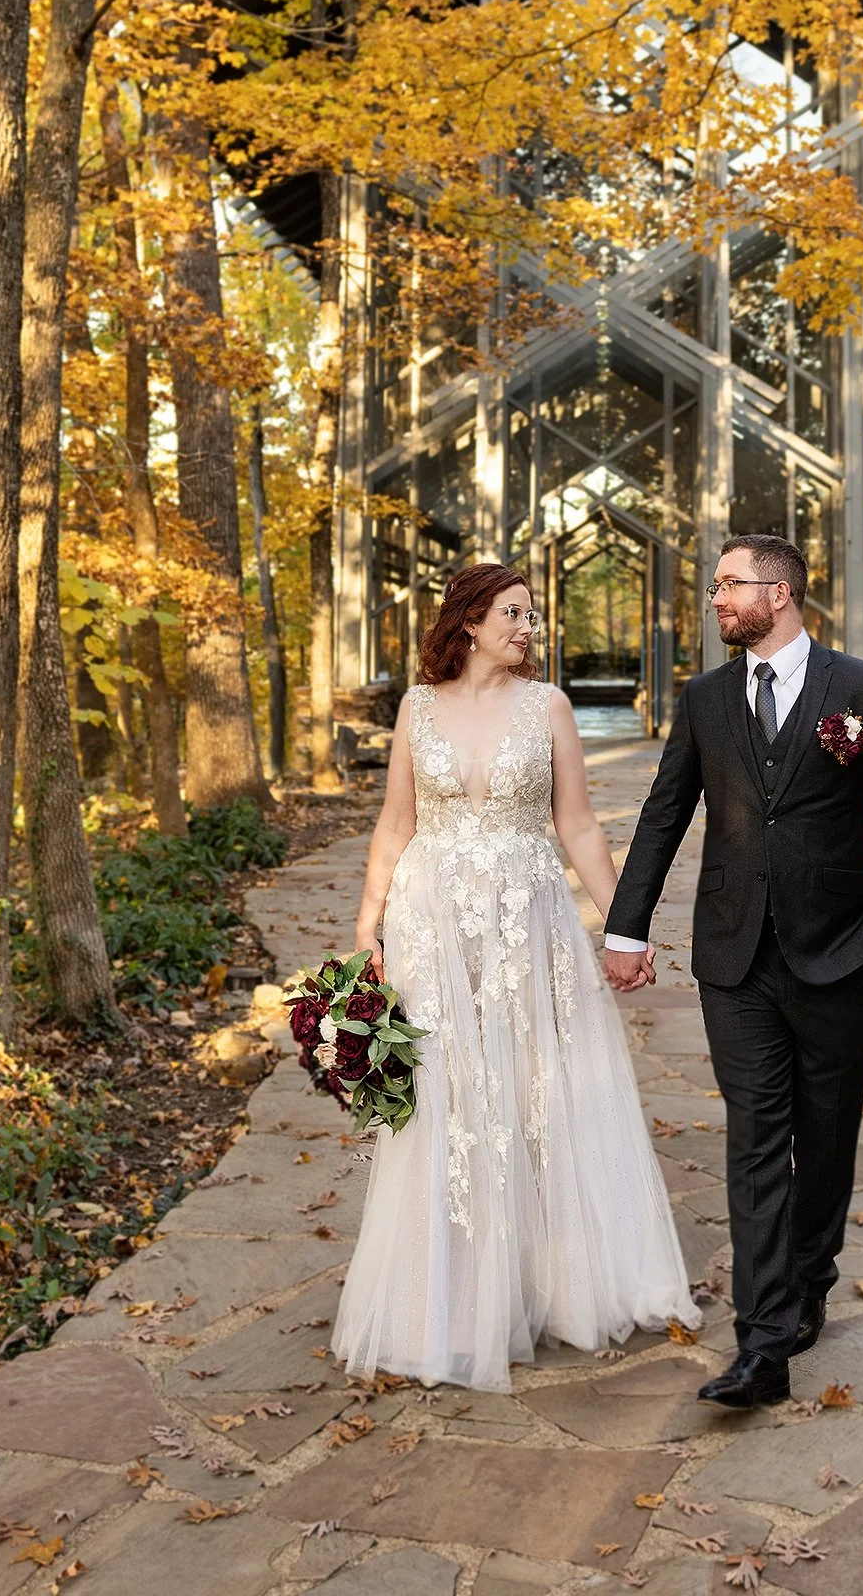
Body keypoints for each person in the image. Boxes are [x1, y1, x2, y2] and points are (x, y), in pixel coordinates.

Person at [333, 562, 699, 1392]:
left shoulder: (549, 707)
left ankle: (553, 1280)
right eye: (513, 613)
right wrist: (368, 923)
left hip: (527, 921)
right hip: (430, 921)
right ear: (469, 622)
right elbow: (396, 821)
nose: (528, 628)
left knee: (538, 1084)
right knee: (444, 1092)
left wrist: (625, 925)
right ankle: (447, 1299)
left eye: (531, 615)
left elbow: (579, 824)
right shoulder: (417, 707)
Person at [603, 534, 863, 1409]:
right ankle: (762, 1346)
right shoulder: (706, 698)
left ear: (780, 593)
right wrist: (627, 929)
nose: (715, 599)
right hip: (734, 957)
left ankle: (810, 1278)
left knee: (823, 1140)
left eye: (729, 584)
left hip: (840, 954)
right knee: (755, 1141)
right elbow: (663, 815)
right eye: (714, 586)